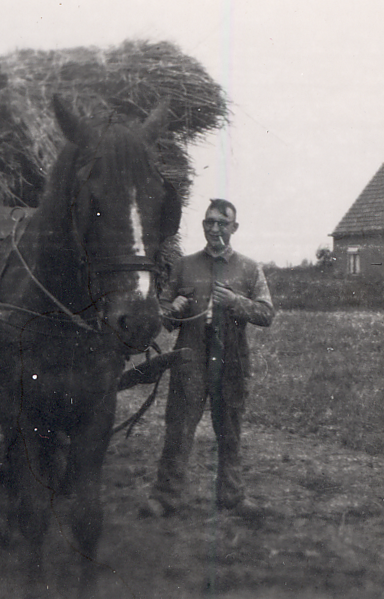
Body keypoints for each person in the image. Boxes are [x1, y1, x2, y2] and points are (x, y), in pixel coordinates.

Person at [141, 198, 274, 517]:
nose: (214, 229)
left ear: (234, 228)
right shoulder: (183, 265)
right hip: (190, 358)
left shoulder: (249, 267)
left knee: (229, 430)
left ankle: (232, 496)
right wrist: (171, 310)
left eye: (221, 223)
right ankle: (165, 497)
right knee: (179, 428)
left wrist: (234, 302)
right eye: (208, 222)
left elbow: (267, 314)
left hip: (231, 361)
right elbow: (162, 314)